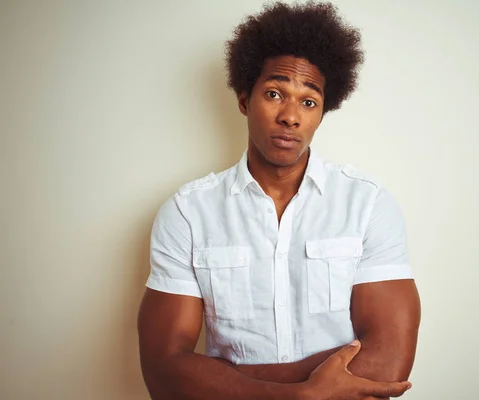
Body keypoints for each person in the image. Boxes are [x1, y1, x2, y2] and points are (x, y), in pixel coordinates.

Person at [137, 2, 421, 399]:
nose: (290, 116)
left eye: (308, 101)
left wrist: (230, 378)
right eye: (274, 93)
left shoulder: (367, 205)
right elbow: (164, 372)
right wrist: (303, 393)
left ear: (323, 112)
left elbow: (389, 364)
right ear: (243, 99)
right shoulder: (187, 213)